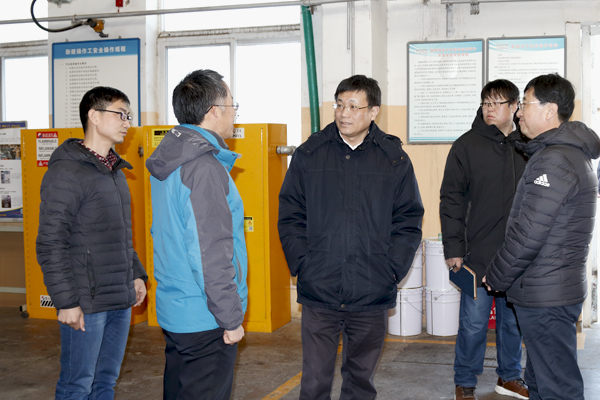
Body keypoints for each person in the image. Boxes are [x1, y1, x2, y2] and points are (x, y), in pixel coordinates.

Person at [278, 75, 424, 400]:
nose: (344, 113)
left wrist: (391, 270)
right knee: (314, 381)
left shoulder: (393, 159)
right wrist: (303, 263)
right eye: (340, 105)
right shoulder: (309, 154)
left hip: (372, 289)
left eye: (354, 107)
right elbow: (290, 213)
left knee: (360, 381)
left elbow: (408, 219)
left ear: (373, 112)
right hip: (320, 289)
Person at [485, 73, 600, 400]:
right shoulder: (565, 153)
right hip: (553, 288)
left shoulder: (554, 159)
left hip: (547, 294)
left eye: (525, 104)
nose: (519, 112)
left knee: (557, 389)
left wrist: (497, 275)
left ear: (550, 110)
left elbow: (529, 231)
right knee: (541, 382)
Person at [36, 86, 148, 400]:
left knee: (105, 383)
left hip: (119, 297)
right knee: (77, 385)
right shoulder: (67, 172)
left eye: (129, 116)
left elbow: (121, 235)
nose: (127, 122)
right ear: (94, 116)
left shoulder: (115, 172)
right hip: (86, 301)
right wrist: (66, 302)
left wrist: (136, 274)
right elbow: (50, 242)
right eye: (120, 114)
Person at [146, 69, 247, 400]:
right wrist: (230, 317)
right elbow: (209, 251)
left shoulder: (172, 158)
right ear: (214, 111)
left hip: (177, 309)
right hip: (205, 315)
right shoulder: (202, 167)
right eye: (232, 106)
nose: (234, 114)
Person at [440, 79, 529, 400]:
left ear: (515, 106)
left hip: (516, 256)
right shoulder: (466, 146)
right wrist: (453, 248)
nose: (490, 109)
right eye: (486, 103)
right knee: (473, 324)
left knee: (512, 324)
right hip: (476, 256)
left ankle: (509, 377)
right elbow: (451, 199)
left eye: (497, 103)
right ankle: (465, 382)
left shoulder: (527, 145)